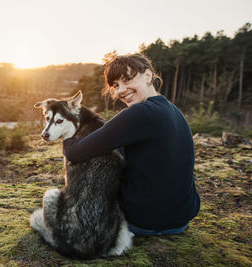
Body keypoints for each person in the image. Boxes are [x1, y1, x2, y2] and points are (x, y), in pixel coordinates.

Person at [63, 53, 200, 236]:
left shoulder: (140, 113)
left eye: (127, 80)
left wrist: (64, 132)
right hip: (181, 218)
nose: (120, 90)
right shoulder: (172, 110)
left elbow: (74, 152)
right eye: (116, 85)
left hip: (144, 221)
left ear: (148, 76)